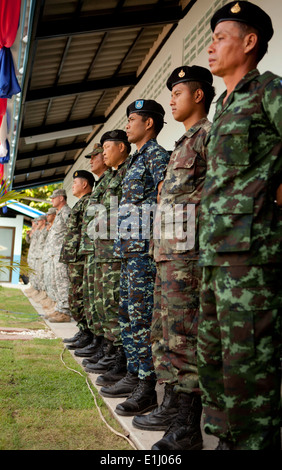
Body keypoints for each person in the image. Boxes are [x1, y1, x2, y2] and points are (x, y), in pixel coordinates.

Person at [197, 1, 282, 450]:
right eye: (211, 38)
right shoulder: (224, 108)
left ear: (249, 43)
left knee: (248, 362)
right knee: (213, 356)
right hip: (215, 254)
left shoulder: (269, 90)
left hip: (251, 257)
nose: (211, 48)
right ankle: (226, 437)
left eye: (220, 38)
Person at [132, 66, 215, 450]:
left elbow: (216, 195)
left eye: (177, 92)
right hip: (168, 257)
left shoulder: (208, 137)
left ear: (198, 96)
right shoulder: (183, 143)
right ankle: (174, 406)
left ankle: (188, 426)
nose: (171, 99)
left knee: (184, 338)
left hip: (188, 259)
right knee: (166, 336)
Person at [100, 100, 170, 418]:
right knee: (128, 317)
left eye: (132, 120)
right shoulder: (135, 160)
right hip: (129, 253)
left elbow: (166, 198)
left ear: (149, 124)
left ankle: (147, 387)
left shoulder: (156, 155)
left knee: (142, 320)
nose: (127, 125)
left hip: (144, 253)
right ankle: (133, 373)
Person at [83, 130, 130, 388]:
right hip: (102, 249)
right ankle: (107, 348)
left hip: (116, 250)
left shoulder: (126, 172)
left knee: (113, 303)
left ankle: (118, 356)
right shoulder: (109, 177)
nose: (100, 155)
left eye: (105, 149)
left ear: (121, 147)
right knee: (102, 303)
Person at [72, 144, 112, 353]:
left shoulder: (111, 181)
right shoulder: (102, 186)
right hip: (92, 251)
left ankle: (103, 345)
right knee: (92, 300)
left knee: (104, 301)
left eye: (95, 156)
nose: (92, 160)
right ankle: (95, 339)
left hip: (105, 252)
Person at [59, 170, 95, 346]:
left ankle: (87, 333)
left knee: (80, 295)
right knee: (75, 295)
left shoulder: (88, 203)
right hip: (74, 256)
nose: (72, 186)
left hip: (81, 257)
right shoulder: (80, 203)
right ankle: (82, 330)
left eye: (75, 183)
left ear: (85, 184)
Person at [46, 188, 71, 323]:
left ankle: (65, 312)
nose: (52, 200)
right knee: (57, 282)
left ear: (61, 198)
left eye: (54, 197)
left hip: (62, 254)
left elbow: (72, 231)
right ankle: (60, 308)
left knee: (63, 282)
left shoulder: (66, 212)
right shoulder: (59, 213)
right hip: (55, 254)